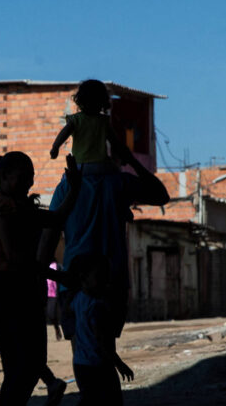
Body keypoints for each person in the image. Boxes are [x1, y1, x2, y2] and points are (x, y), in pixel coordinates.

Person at [0, 151, 81, 406]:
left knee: (20, 364)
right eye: (21, 177)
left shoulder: (18, 205)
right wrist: (55, 273)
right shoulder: (4, 207)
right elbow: (15, 258)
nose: (27, 182)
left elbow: (56, 218)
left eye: (30, 177)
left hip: (12, 288)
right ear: (3, 178)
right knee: (26, 361)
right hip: (9, 287)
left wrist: (74, 188)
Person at [39, 139, 171, 340]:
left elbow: (46, 247)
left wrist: (55, 277)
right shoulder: (119, 183)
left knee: (82, 353)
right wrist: (132, 161)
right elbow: (160, 195)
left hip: (75, 285)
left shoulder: (65, 188)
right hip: (112, 282)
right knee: (105, 352)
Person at [57, 252, 134, 406]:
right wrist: (119, 364)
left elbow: (66, 314)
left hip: (81, 363)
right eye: (100, 276)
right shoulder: (97, 306)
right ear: (84, 278)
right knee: (113, 403)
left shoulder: (78, 299)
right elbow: (103, 342)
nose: (105, 281)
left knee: (89, 402)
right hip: (99, 364)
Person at [49, 79, 120, 164]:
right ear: (103, 101)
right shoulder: (103, 121)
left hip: (82, 166)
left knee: (67, 177)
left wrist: (55, 147)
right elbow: (115, 143)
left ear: (80, 99)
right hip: (101, 166)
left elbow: (64, 133)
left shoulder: (76, 119)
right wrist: (121, 157)